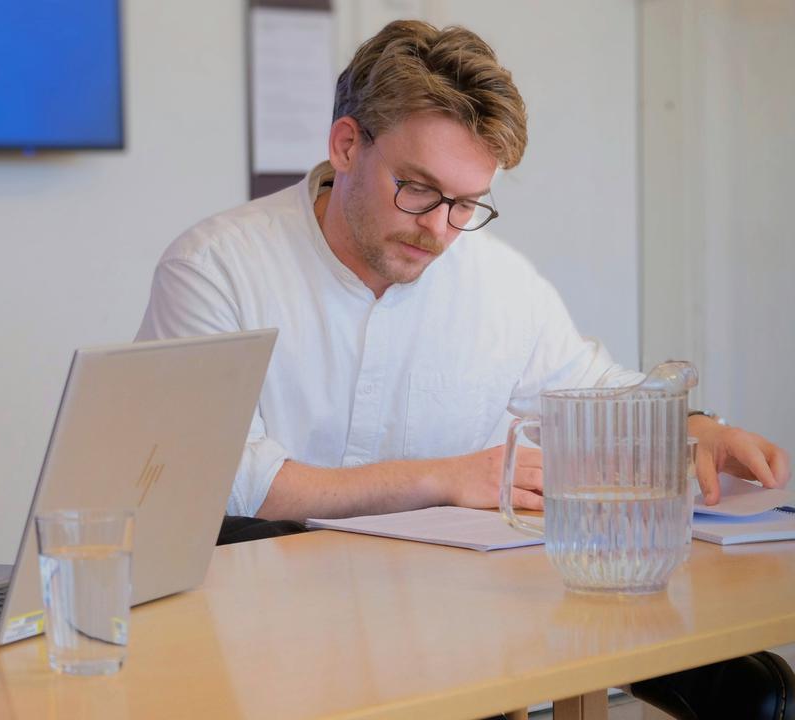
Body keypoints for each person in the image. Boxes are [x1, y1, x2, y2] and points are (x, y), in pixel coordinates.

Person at [137, 20, 792, 720]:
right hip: (259, 639)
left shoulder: (500, 283)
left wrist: (692, 426)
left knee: (757, 688)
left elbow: (592, 390)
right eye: (418, 189)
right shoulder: (217, 267)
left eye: (467, 203)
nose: (440, 229)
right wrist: (445, 478)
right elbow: (217, 477)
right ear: (347, 145)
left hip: (443, 632)